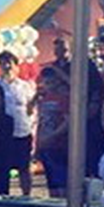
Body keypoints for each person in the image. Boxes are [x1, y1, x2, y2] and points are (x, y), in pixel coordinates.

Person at [0, 50, 35, 196]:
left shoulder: (25, 86)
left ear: (15, 65)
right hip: (2, 132)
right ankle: (4, 195)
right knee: (3, 166)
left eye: (9, 63)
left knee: (24, 167)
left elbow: (30, 108)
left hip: (22, 131)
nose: (6, 66)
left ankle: (26, 196)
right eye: (3, 63)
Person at [34, 67, 70, 198]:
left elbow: (68, 121)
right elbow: (40, 121)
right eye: (46, 82)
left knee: (61, 180)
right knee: (51, 182)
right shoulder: (43, 99)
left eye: (52, 82)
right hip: (45, 144)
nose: (49, 85)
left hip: (58, 144)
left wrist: (53, 135)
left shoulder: (63, 99)